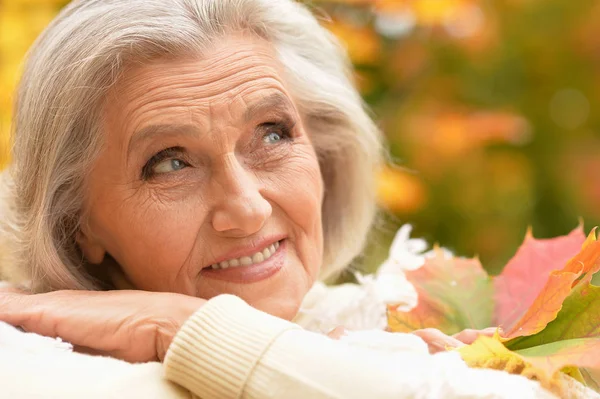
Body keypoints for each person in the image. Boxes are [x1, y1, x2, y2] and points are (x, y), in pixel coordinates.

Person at [0, 0, 590, 398]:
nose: (249, 208)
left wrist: (187, 326)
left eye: (273, 133)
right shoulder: (36, 372)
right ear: (77, 222)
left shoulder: (387, 318)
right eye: (170, 163)